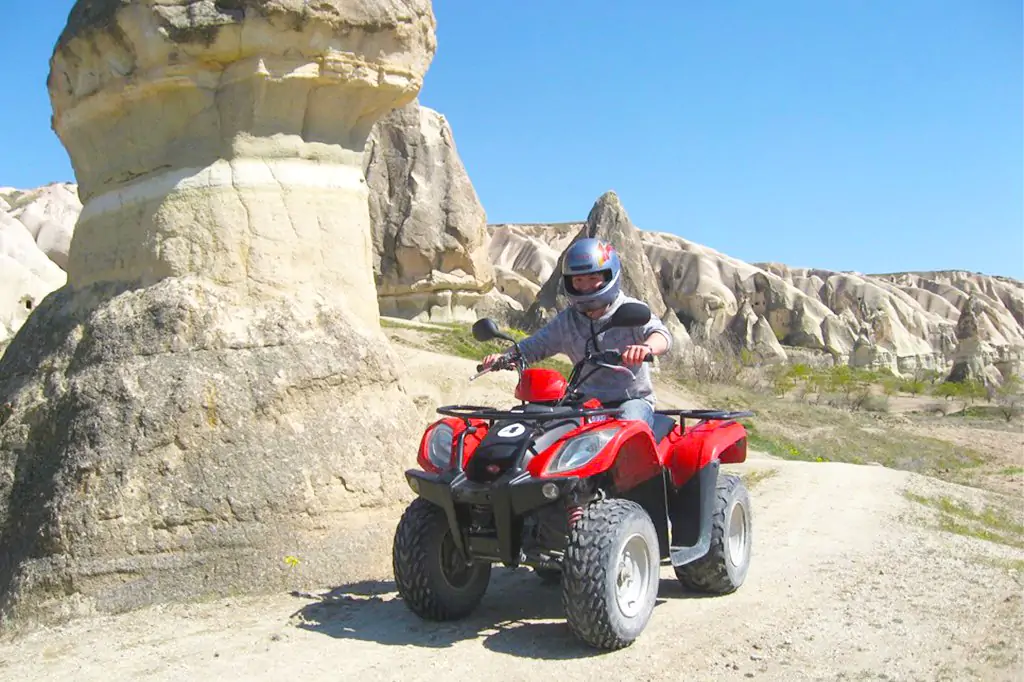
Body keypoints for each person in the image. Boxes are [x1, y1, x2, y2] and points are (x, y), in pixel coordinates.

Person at [482, 237, 672, 431]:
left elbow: (661, 335)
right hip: (585, 403)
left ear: (609, 276)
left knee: (628, 428)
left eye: (592, 278)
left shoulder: (630, 310)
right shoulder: (568, 320)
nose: (585, 286)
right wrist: (504, 358)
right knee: (544, 428)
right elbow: (534, 346)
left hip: (631, 399)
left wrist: (646, 348)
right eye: (578, 280)